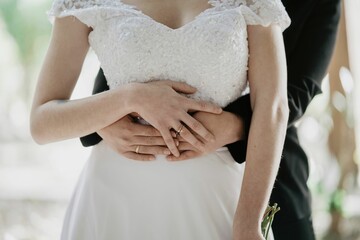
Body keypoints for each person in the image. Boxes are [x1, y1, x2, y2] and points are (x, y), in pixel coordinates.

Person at [30, 0, 291, 239]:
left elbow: (273, 109)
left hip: (213, 197)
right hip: (112, 198)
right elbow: (42, 122)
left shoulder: (256, 3)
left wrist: (247, 223)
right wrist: (130, 97)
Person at [81, 0, 341, 239]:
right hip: (127, 172)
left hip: (264, 165)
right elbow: (125, 51)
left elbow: (296, 90)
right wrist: (103, 119)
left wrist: (235, 125)